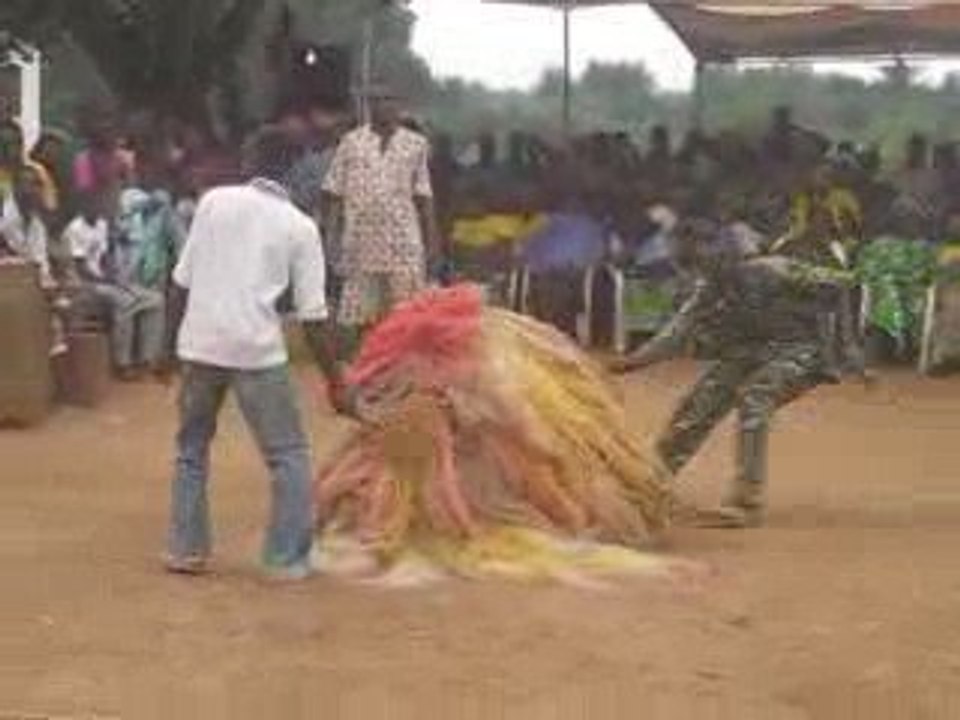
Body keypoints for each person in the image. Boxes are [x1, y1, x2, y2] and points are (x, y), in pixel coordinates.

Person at [159, 126, 353, 581]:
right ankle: (285, 559)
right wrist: (336, 380)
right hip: (255, 350)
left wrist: (165, 351)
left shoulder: (212, 203)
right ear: (294, 170)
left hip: (200, 344)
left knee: (191, 449)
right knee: (288, 455)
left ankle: (185, 549)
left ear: (250, 161)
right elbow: (314, 316)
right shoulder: (300, 227)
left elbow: (180, 283)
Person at [612, 221, 866, 529]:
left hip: (801, 348)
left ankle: (746, 501)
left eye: (700, 259)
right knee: (697, 405)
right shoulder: (708, 290)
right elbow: (674, 336)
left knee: (755, 398)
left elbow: (842, 286)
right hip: (748, 351)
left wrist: (849, 347)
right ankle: (650, 486)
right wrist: (631, 363)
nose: (697, 268)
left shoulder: (775, 270)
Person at [321, 85, 439, 333]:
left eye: (388, 99)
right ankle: (368, 366)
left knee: (406, 315)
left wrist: (432, 242)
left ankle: (399, 367)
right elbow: (333, 192)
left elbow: (424, 195)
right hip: (360, 243)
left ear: (399, 104)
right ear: (368, 105)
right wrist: (329, 236)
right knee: (363, 317)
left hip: (402, 242)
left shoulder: (416, 144)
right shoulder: (351, 142)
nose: (382, 106)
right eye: (375, 100)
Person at [65, 192, 165, 375]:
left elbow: (103, 258)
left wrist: (116, 277)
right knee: (125, 302)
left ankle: (146, 358)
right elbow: (80, 268)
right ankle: (123, 363)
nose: (99, 209)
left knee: (155, 300)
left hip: (105, 281)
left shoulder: (101, 224)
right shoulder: (75, 228)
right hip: (83, 284)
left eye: (100, 205)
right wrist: (109, 281)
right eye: (94, 205)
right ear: (84, 207)